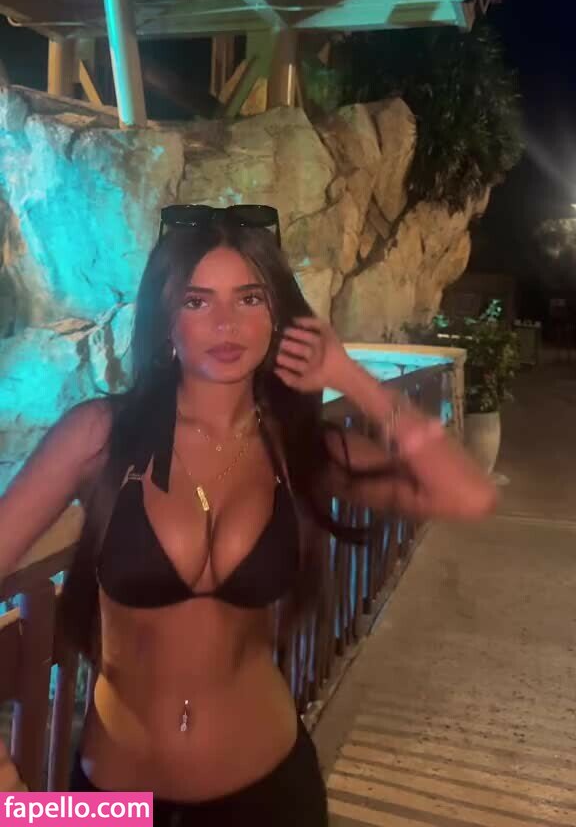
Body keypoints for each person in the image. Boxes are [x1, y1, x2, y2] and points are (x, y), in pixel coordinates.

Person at [0, 204, 497, 824]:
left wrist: (353, 379)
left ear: (277, 316)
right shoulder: (100, 434)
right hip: (114, 803)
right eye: (197, 301)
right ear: (165, 319)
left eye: (249, 298)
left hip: (271, 794)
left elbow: (468, 495)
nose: (226, 324)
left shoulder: (300, 449)